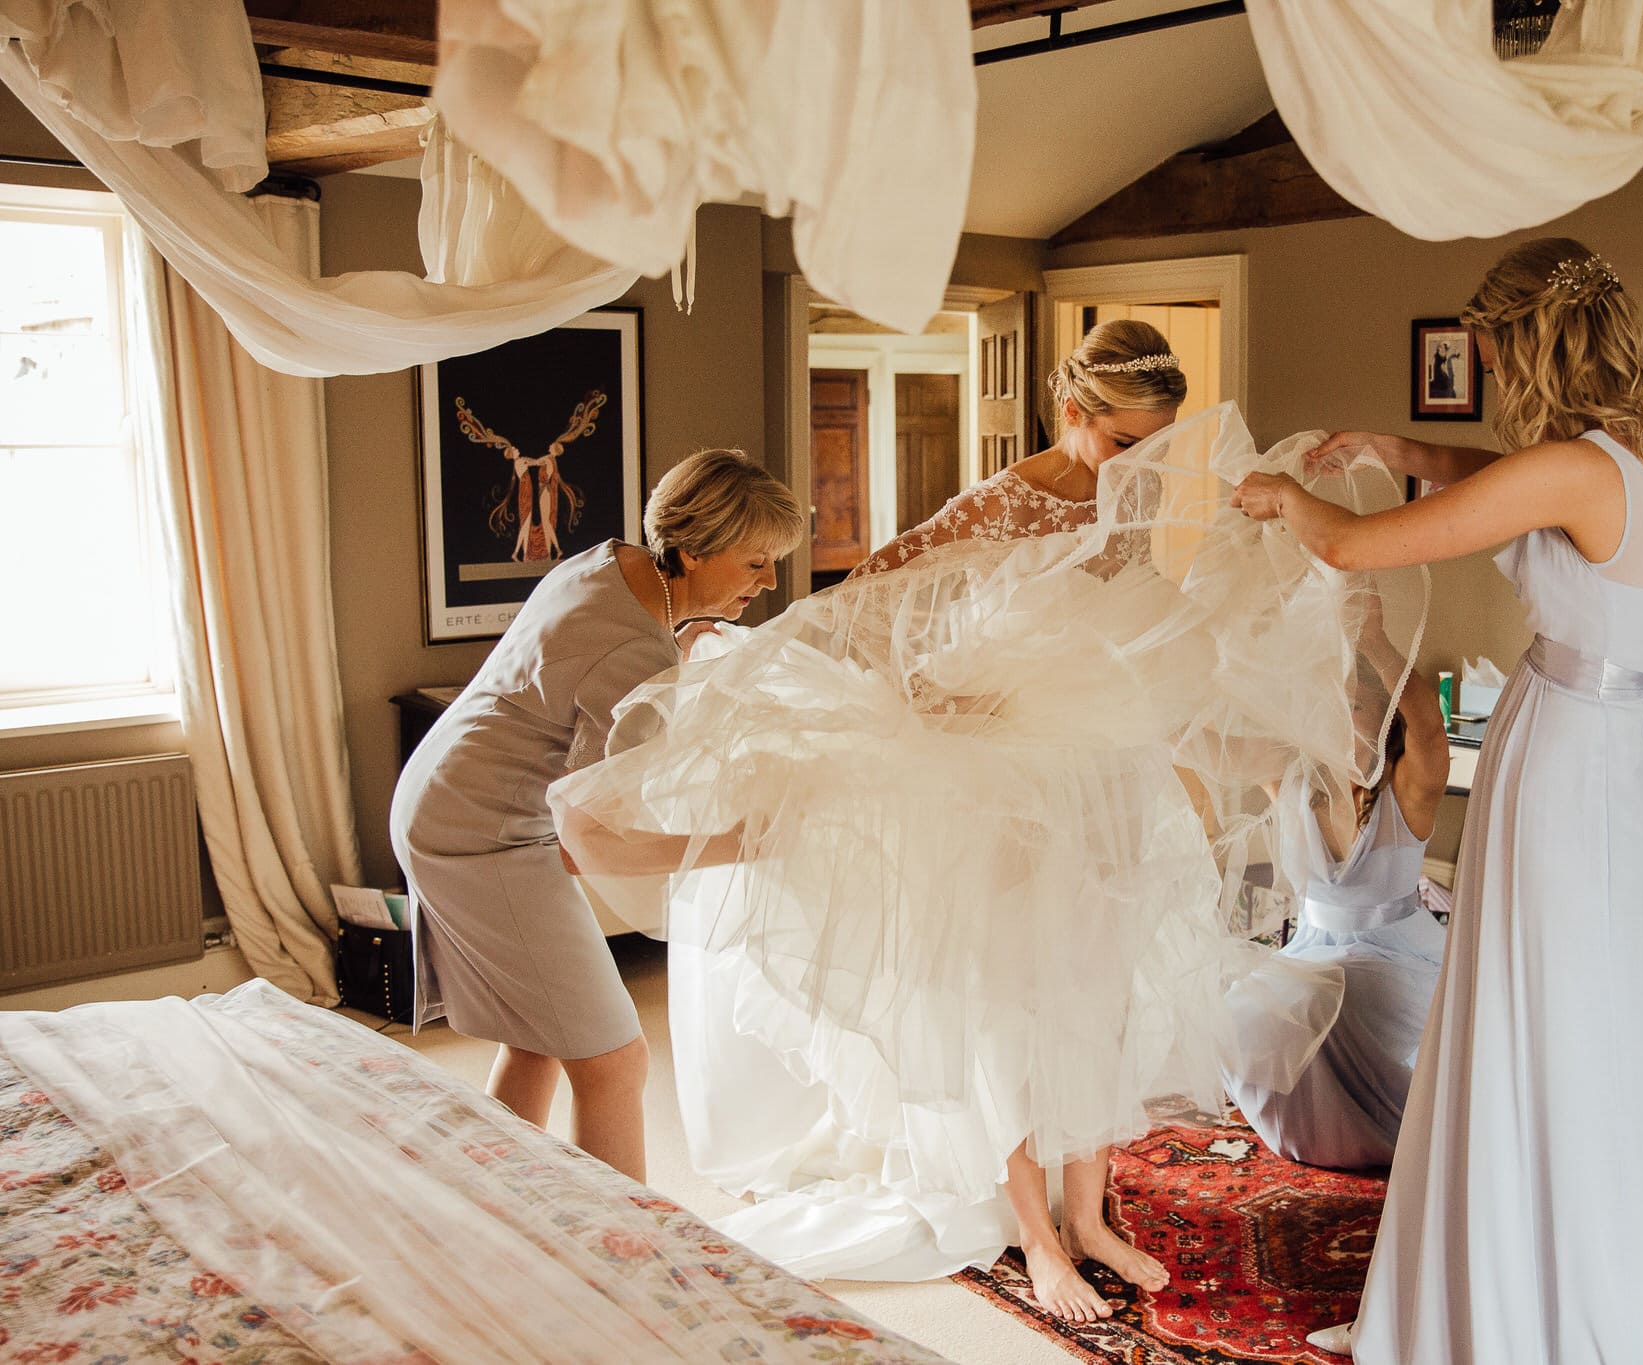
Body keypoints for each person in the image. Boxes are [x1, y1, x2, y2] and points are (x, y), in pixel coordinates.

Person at [550, 324, 1390, 1325]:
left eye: (1155, 439)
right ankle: (1039, 1239)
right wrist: (949, 700)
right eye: (1123, 440)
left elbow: (1125, 618)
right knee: (1018, 1007)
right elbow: (869, 597)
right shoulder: (998, 502)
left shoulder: (1139, 490)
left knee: (1101, 997)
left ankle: (1092, 1218)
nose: (1142, 461)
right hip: (1022, 787)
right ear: (1069, 414)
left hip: (1113, 776)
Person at [1233, 239, 1643, 1364]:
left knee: (1528, 1003)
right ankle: (1553, 1260)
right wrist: (1392, 447)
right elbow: (1481, 471)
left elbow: (1347, 542)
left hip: (1565, 769)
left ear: (1519, 342)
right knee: (1570, 1007)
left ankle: (1512, 1294)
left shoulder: (1570, 472)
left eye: (1487, 347)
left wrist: (1282, 493)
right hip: (1602, 760)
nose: (1484, 368)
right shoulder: (1642, 457)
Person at [391, 448, 804, 1182]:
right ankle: (625, 1262)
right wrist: (744, 841)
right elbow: (595, 843)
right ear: (694, 548)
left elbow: (582, 663)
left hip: (444, 798)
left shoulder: (610, 565)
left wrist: (681, 636)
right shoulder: (632, 653)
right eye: (755, 562)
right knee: (616, 1057)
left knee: (540, 1036)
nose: (769, 582)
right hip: (481, 836)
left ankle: (497, 1206)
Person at [1222, 601, 1450, 1173]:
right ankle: (1316, 1138)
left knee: (1333, 992)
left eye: (1352, 705)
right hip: (1313, 950)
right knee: (1247, 1004)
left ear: (1384, 715)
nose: (1334, 717)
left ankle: (1390, 1133)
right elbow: (1222, 732)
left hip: (1395, 955)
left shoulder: (1409, 788)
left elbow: (1428, 722)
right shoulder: (1294, 780)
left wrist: (1373, 637)